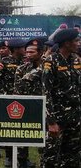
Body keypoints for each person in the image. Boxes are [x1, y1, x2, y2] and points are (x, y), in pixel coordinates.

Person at [41, 28, 80, 167]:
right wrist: (51, 122)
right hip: (58, 118)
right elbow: (46, 92)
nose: (79, 43)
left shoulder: (76, 60)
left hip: (75, 117)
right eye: (76, 41)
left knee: (72, 155)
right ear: (67, 43)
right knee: (51, 156)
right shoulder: (51, 61)